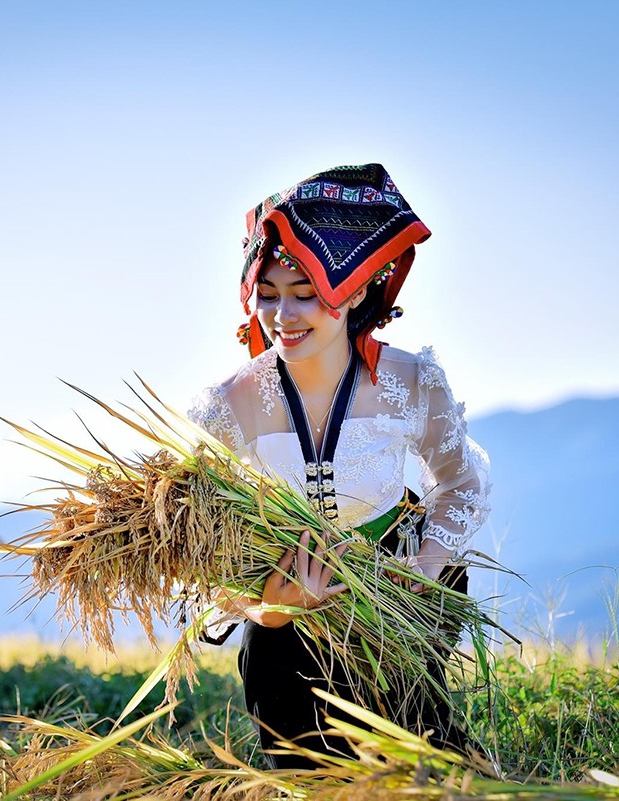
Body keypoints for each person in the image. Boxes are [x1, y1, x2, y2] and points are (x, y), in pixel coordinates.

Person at [185, 163, 493, 770]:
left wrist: (424, 566)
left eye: (306, 295)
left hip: (399, 587)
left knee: (412, 753)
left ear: (352, 292)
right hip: (286, 597)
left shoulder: (412, 379)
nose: (284, 315)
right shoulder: (232, 402)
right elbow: (190, 535)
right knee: (300, 752)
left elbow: (462, 480)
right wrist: (265, 607)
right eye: (268, 294)